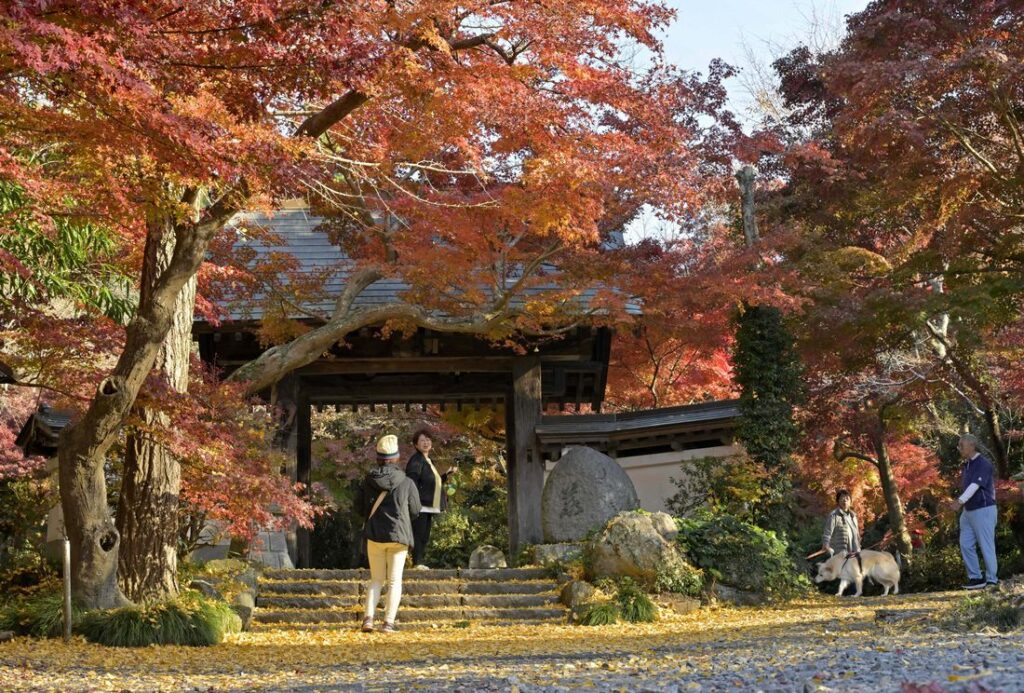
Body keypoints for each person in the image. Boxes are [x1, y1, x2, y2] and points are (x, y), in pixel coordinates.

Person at [360, 434, 421, 633]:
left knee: (376, 579)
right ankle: (388, 623)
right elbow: (415, 510)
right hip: (398, 537)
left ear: (378, 458)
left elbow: (358, 506)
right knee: (395, 580)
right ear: (396, 458)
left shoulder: (369, 481)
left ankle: (368, 620)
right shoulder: (407, 482)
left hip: (375, 535)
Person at [404, 428, 457, 569]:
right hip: (420, 504)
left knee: (424, 535)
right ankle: (417, 562)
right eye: (422, 440)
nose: (426, 443)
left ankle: (419, 562)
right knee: (419, 534)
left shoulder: (428, 460)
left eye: (428, 440)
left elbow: (433, 481)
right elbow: (411, 481)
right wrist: (413, 501)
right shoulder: (416, 460)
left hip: (428, 505)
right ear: (416, 445)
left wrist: (446, 474)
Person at [953, 434, 998, 590]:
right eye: (959, 445)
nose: (959, 448)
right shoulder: (967, 465)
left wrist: (959, 501)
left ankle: (992, 580)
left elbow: (975, 486)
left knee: (986, 545)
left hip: (984, 509)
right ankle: (976, 578)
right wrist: (962, 504)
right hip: (969, 511)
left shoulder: (983, 464)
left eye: (962, 445)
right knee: (965, 544)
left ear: (972, 445)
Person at [821, 489, 861, 559]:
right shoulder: (833, 515)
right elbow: (827, 534)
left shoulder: (853, 516)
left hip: (854, 555)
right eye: (842, 498)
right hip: (840, 555)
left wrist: (858, 549)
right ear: (838, 501)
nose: (845, 500)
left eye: (847, 498)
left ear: (850, 502)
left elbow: (857, 536)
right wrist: (826, 546)